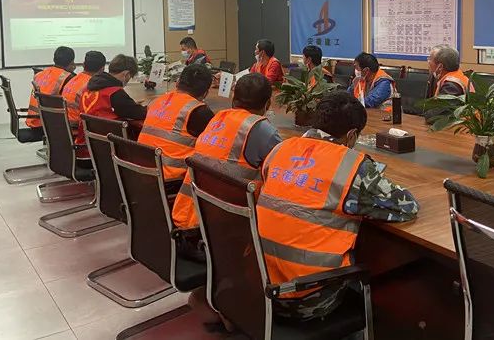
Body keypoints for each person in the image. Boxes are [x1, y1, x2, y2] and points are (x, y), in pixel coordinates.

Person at [256, 91, 418, 321]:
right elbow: (407, 206)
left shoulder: (280, 150)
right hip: (308, 298)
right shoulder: (351, 166)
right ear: (351, 135)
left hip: (257, 282)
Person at [171, 73, 281, 230]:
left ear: (233, 99)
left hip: (188, 213)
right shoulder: (262, 130)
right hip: (225, 223)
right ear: (268, 104)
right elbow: (283, 170)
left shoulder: (216, 119)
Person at [138, 64, 215, 179]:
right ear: (205, 93)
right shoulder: (199, 111)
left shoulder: (156, 101)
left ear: (177, 83)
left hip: (139, 172)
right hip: (171, 180)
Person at [75, 54, 147, 147]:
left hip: (86, 142)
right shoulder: (114, 93)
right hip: (108, 145)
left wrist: (128, 104)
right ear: (126, 74)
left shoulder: (88, 87)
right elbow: (139, 113)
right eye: (130, 77)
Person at [26, 46, 76, 140]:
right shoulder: (68, 78)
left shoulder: (39, 74)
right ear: (72, 62)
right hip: (48, 125)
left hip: (35, 121)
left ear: (54, 59)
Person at [424, 44, 470, 124]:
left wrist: (427, 113)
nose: (428, 61)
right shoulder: (454, 76)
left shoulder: (452, 86)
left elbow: (436, 117)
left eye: (430, 59)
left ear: (440, 67)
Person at [62, 50, 106, 130]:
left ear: (83, 65)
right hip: (78, 128)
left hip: (65, 126)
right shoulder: (93, 85)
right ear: (102, 69)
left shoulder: (72, 79)